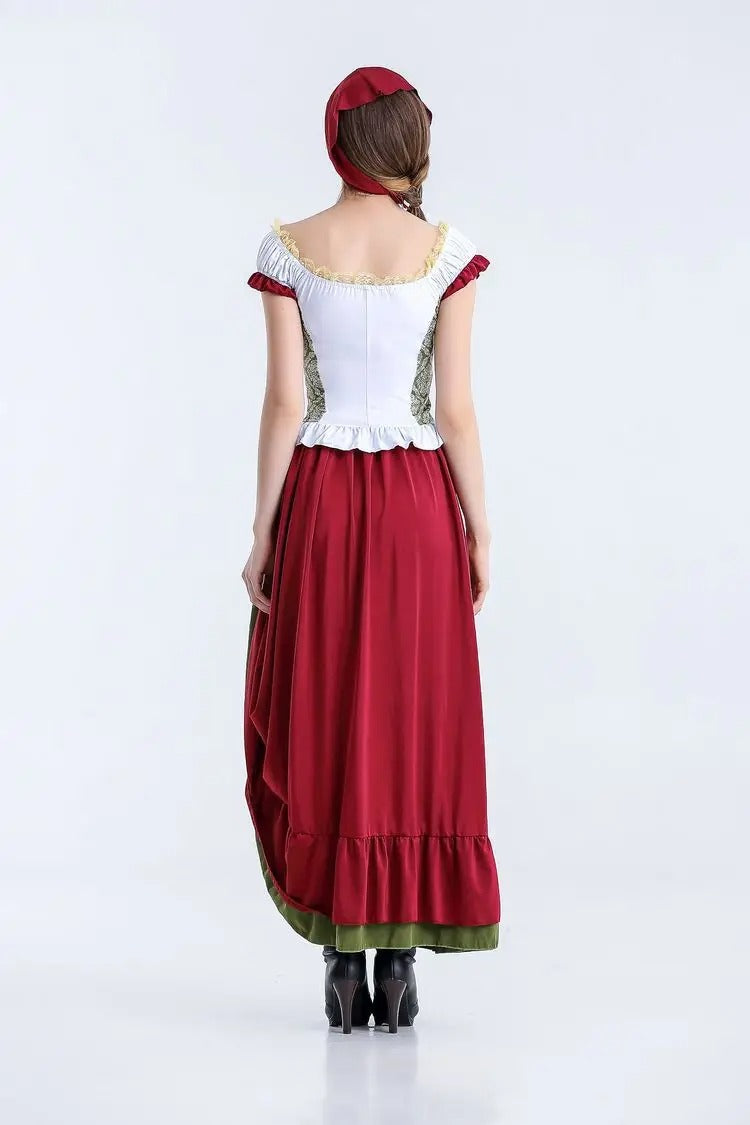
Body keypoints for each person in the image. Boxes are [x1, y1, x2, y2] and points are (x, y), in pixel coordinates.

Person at [241, 65, 501, 1035]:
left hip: (320, 499)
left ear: (337, 141)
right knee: (411, 713)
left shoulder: (289, 248)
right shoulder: (445, 253)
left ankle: (340, 962)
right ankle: (399, 963)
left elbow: (285, 403)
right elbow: (457, 411)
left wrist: (263, 531)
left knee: (325, 705)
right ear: (409, 143)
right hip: (417, 507)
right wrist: (479, 528)